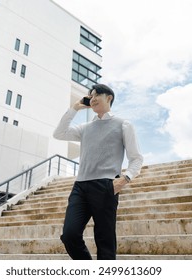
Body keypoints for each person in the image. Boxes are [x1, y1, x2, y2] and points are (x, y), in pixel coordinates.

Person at [53, 83, 143, 260]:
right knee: (70, 235)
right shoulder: (85, 128)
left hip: (106, 185)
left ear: (109, 97)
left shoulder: (123, 124)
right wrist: (75, 108)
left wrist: (124, 179)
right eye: (90, 96)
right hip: (80, 186)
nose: (92, 98)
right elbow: (59, 133)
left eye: (96, 95)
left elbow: (137, 158)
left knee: (105, 240)